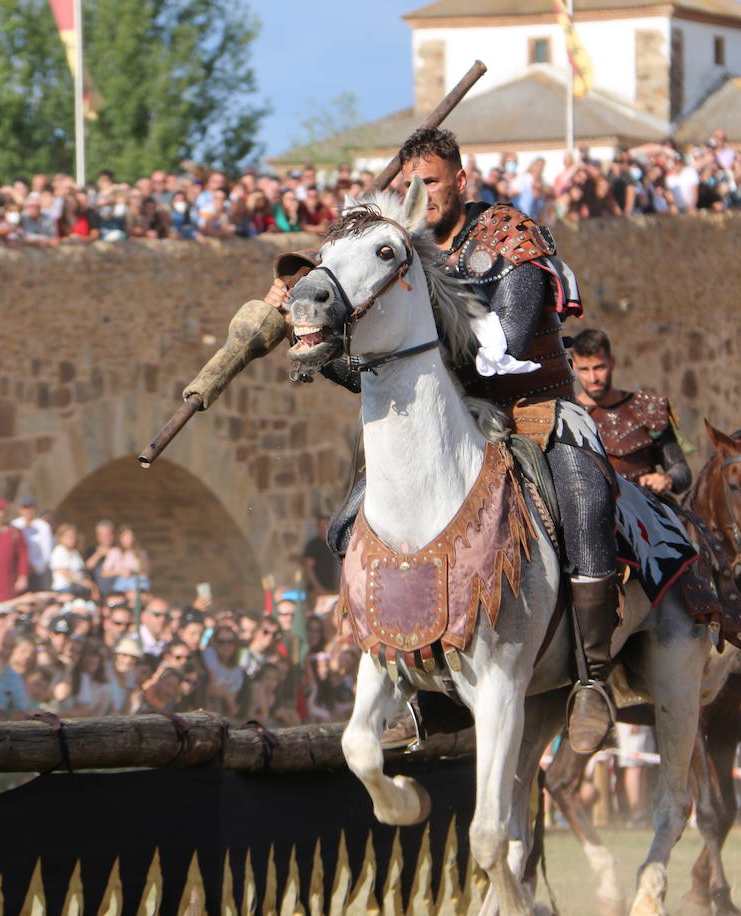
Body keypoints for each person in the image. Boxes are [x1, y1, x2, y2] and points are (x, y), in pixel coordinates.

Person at [269, 127, 626, 754]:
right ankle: (421, 681)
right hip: (451, 420)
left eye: (431, 181)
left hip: (533, 408)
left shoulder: (509, 237)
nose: (421, 194)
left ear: (461, 180)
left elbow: (507, 345)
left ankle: (592, 678)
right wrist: (310, 322)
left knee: (586, 496)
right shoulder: (401, 257)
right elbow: (372, 372)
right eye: (410, 184)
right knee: (352, 520)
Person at [570, 329, 691, 494]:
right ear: (574, 368)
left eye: (599, 367)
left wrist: (667, 478)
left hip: (648, 510)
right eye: (584, 369)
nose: (593, 378)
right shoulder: (568, 416)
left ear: (612, 362)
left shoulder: (649, 409)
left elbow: (681, 469)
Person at [12, 498, 55, 592]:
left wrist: (35, 566)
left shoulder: (43, 526)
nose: (28, 511)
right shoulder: (14, 525)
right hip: (18, 571)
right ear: (20, 510)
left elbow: (46, 550)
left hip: (37, 570)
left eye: (31, 508)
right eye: (25, 508)